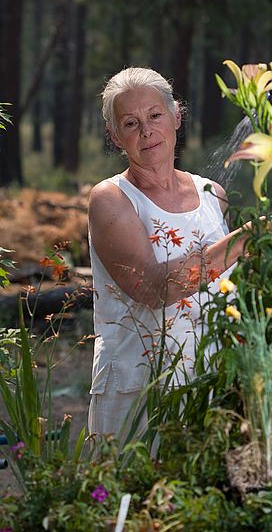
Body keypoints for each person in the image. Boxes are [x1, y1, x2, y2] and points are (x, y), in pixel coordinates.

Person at [87, 66, 248, 440]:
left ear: (177, 115)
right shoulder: (111, 199)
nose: (146, 131)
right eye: (130, 123)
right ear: (114, 136)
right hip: (140, 387)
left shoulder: (213, 194)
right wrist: (243, 242)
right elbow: (153, 289)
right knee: (136, 494)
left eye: (155, 115)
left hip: (211, 380)